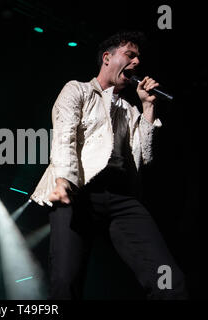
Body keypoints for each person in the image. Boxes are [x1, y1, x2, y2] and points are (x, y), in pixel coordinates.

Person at [30, 31, 188, 299]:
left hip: (121, 197)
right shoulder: (77, 89)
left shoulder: (129, 109)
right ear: (107, 58)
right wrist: (63, 181)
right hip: (77, 191)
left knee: (168, 280)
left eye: (139, 58)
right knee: (65, 283)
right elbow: (64, 136)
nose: (137, 62)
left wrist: (148, 107)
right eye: (130, 55)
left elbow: (146, 157)